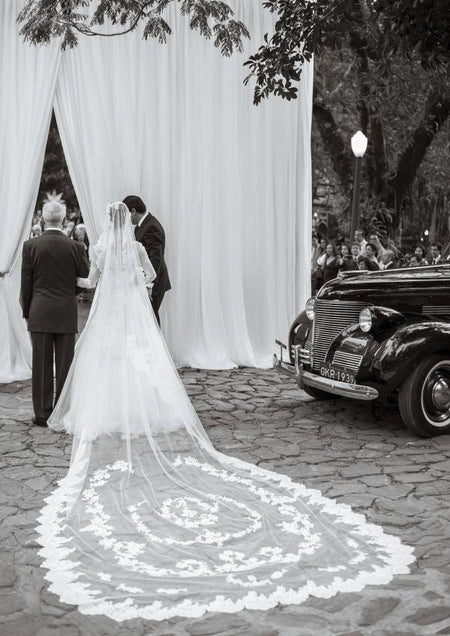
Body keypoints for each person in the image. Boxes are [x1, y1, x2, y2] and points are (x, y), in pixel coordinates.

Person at [36, 202, 413, 621]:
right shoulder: (138, 248)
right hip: (132, 317)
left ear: (109, 222)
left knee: (107, 363)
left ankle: (107, 411)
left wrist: (97, 287)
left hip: (108, 319)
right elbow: (152, 279)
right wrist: (136, 291)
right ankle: (145, 411)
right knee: (142, 363)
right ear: (130, 220)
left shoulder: (103, 247)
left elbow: (91, 282)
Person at [20, 201, 89, 427]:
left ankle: (42, 414)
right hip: (65, 311)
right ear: (63, 218)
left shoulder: (31, 246)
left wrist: (28, 311)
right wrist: (69, 292)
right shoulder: (76, 247)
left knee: (40, 365)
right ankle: (62, 412)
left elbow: (26, 283)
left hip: (39, 310)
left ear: (43, 218)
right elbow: (85, 278)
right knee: (65, 365)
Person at [123, 195, 171, 325]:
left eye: (126, 215)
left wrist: (149, 284)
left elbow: (155, 258)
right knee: (146, 320)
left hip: (153, 283)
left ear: (133, 211)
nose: (126, 220)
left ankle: (156, 346)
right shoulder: (142, 225)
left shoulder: (151, 227)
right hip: (146, 280)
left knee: (151, 321)